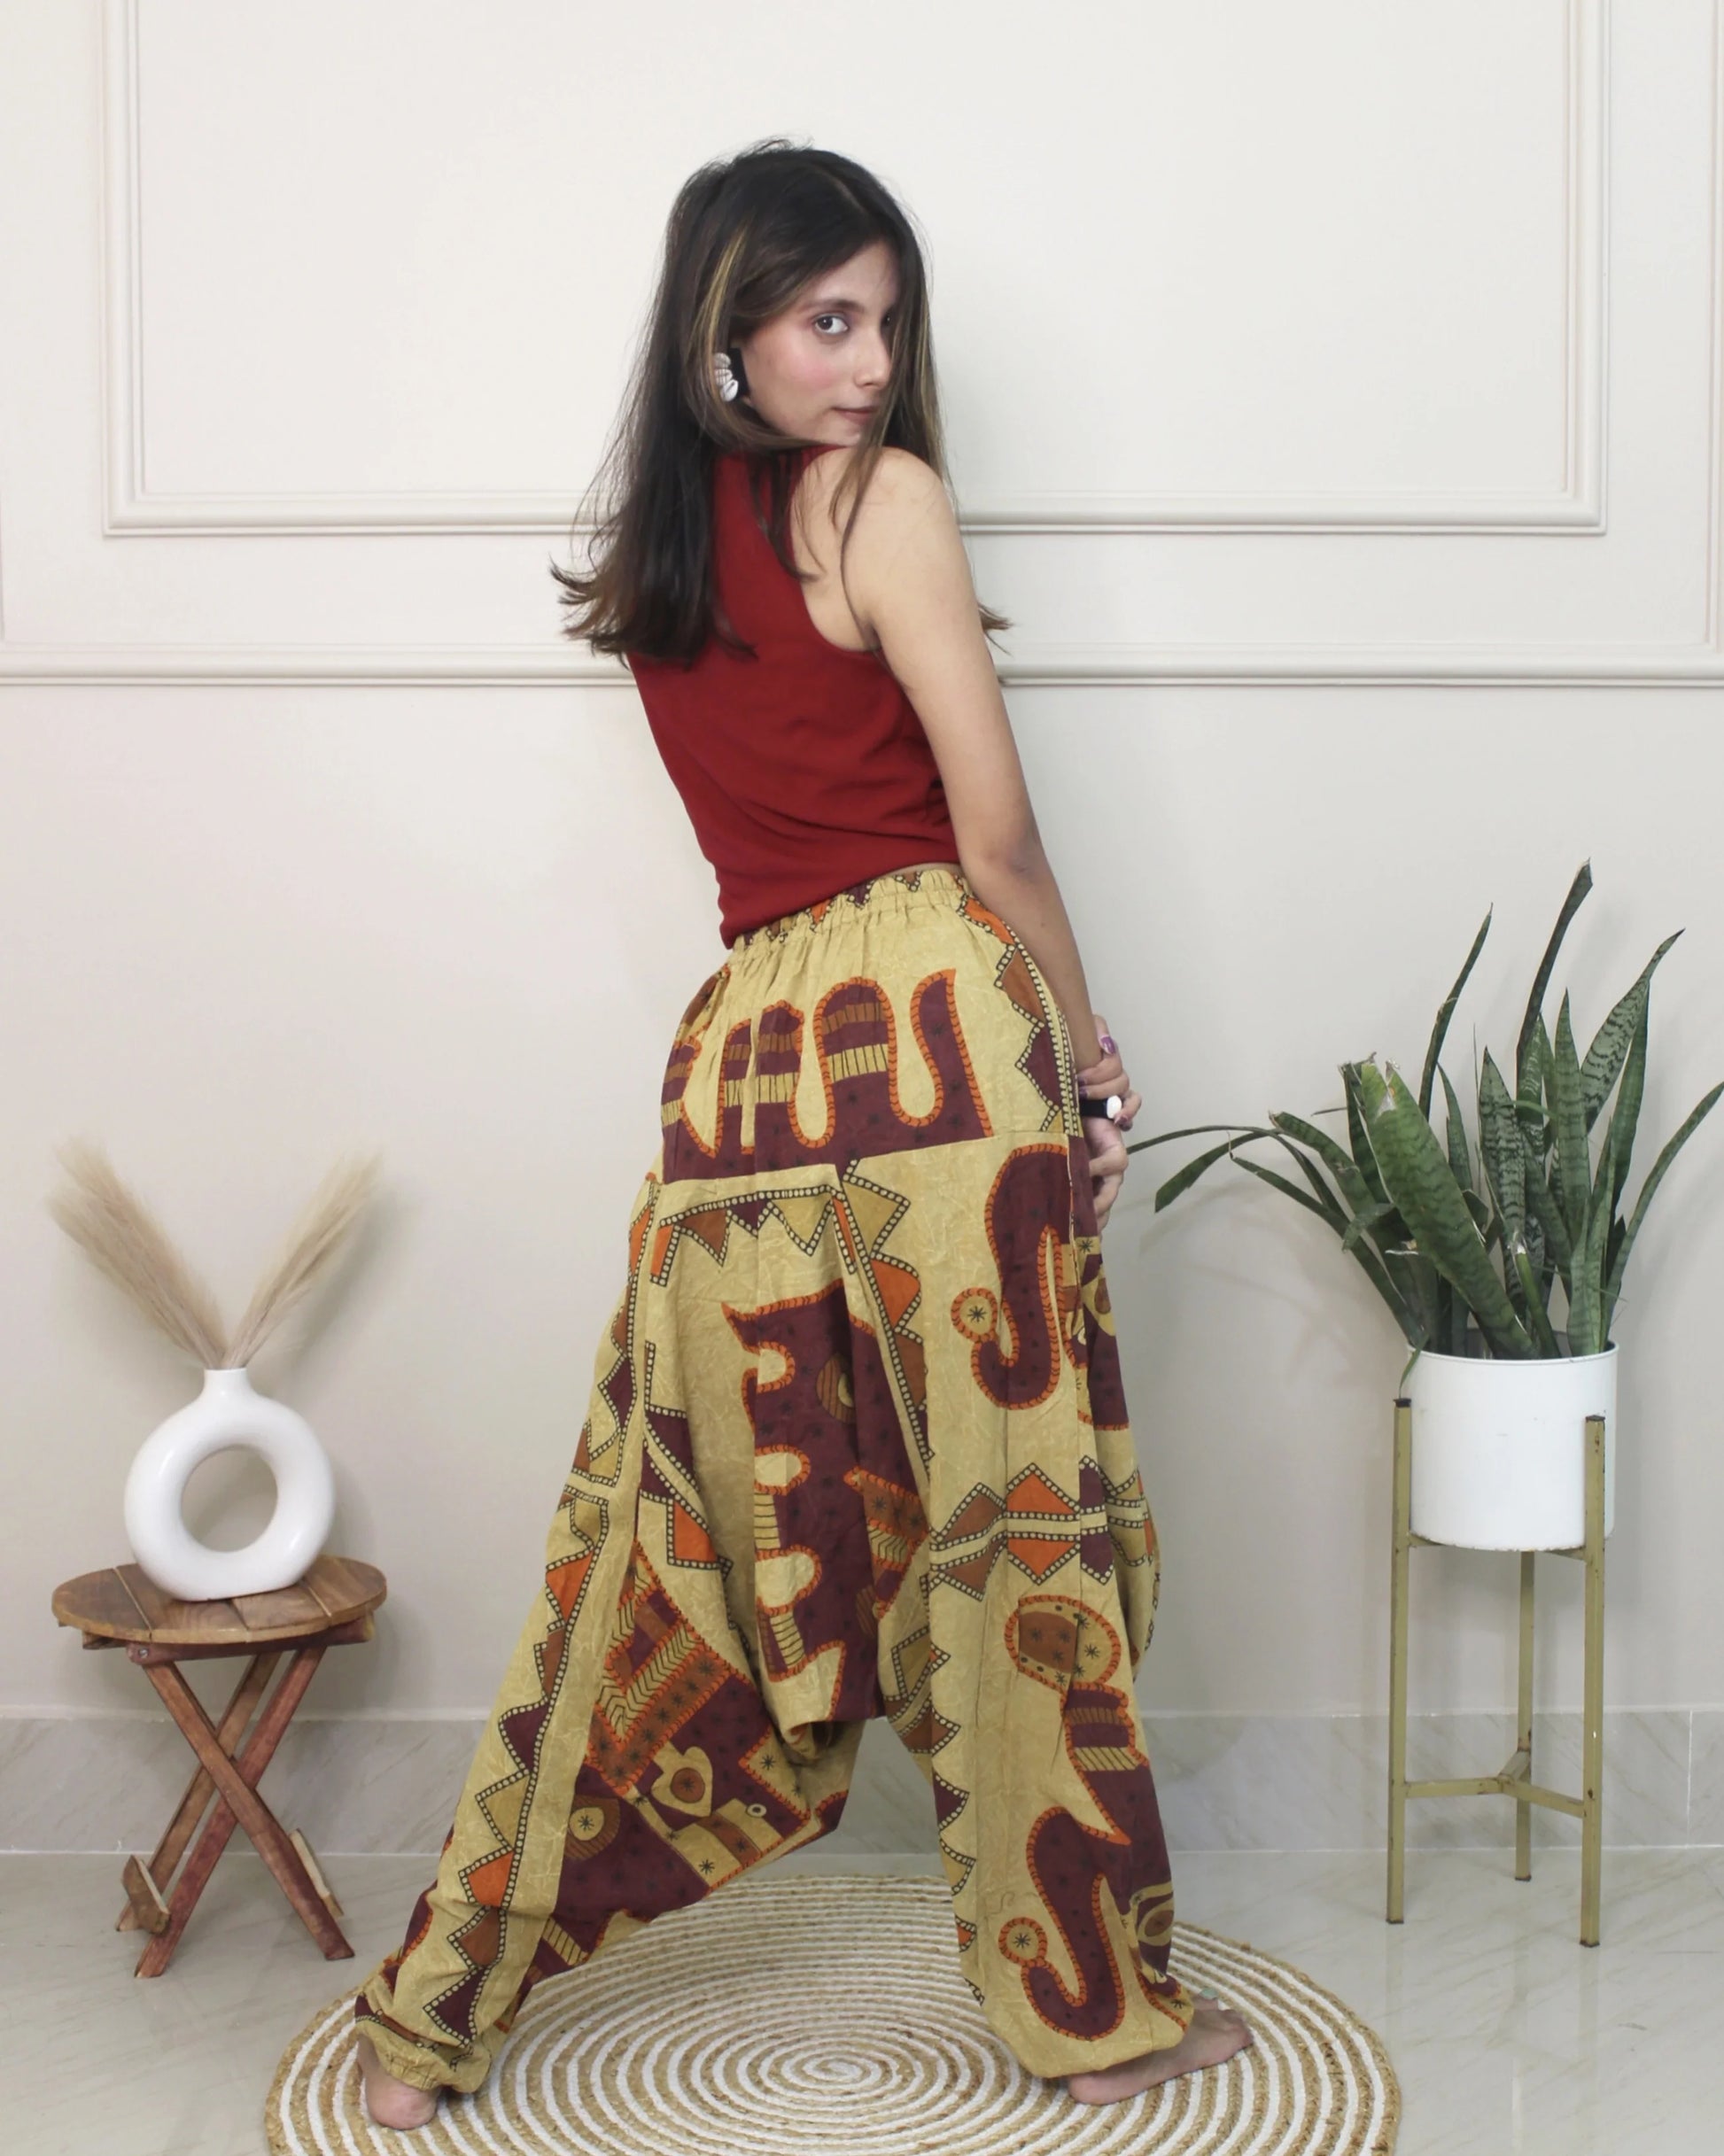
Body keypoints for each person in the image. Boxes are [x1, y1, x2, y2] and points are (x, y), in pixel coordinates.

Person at [348, 137, 1252, 2130]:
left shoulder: (656, 561)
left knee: (645, 1537)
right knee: (1012, 1530)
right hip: (938, 1042)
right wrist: (1086, 1061)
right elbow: (988, 832)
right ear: (725, 331)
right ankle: (1088, 2006)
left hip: (741, 1075)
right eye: (826, 318)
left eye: (886, 322)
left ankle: (429, 2020)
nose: (866, 364)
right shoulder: (884, 499)